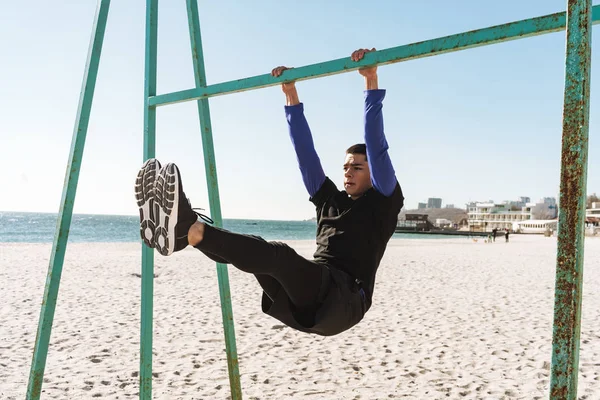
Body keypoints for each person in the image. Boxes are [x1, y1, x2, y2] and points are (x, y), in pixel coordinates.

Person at [134, 48, 404, 337]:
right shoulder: (330, 200)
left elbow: (376, 145)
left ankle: (191, 229)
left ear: (375, 173)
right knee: (257, 254)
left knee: (278, 255)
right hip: (310, 296)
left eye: (358, 168)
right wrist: (290, 93)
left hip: (346, 299)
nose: (348, 172)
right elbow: (305, 154)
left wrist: (370, 81)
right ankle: (191, 233)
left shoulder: (382, 201)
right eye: (346, 167)